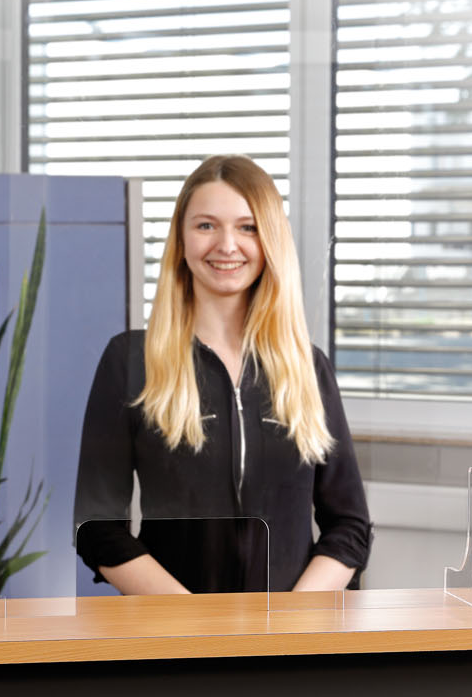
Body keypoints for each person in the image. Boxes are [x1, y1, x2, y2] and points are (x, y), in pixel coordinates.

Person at [74, 155, 371, 595]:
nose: (227, 245)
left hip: (293, 631)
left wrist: (291, 619)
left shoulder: (308, 367)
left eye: (247, 227)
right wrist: (190, 619)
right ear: (181, 239)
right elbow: (96, 526)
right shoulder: (130, 361)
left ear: (270, 241)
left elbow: (349, 526)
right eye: (206, 225)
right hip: (173, 629)